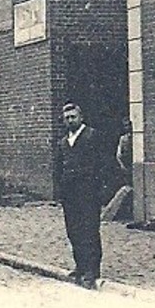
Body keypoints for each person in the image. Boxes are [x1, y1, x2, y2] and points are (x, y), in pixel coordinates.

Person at [55, 101, 106, 288]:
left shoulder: (92, 136)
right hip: (70, 195)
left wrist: (99, 190)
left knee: (89, 231)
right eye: (67, 118)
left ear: (81, 117)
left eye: (73, 117)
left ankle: (92, 270)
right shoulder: (63, 142)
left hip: (88, 193)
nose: (70, 120)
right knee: (73, 231)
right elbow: (59, 168)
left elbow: (102, 164)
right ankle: (80, 266)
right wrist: (61, 190)